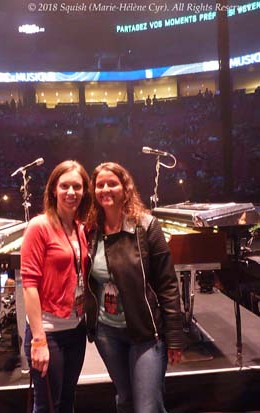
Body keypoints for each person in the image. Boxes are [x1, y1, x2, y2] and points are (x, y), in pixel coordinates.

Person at [85, 162, 183, 413]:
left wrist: (174, 337)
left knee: (147, 407)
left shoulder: (147, 227)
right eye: (100, 184)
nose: (106, 189)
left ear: (125, 188)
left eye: (112, 183)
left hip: (145, 333)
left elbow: (168, 285)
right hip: (108, 333)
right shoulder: (90, 229)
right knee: (125, 399)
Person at [21, 160, 91, 413]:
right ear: (53, 190)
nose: (71, 192)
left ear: (84, 191)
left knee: (67, 401)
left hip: (76, 329)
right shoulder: (39, 227)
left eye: (77, 186)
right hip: (48, 332)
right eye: (64, 186)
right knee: (48, 405)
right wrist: (38, 339)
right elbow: (29, 284)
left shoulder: (80, 229)